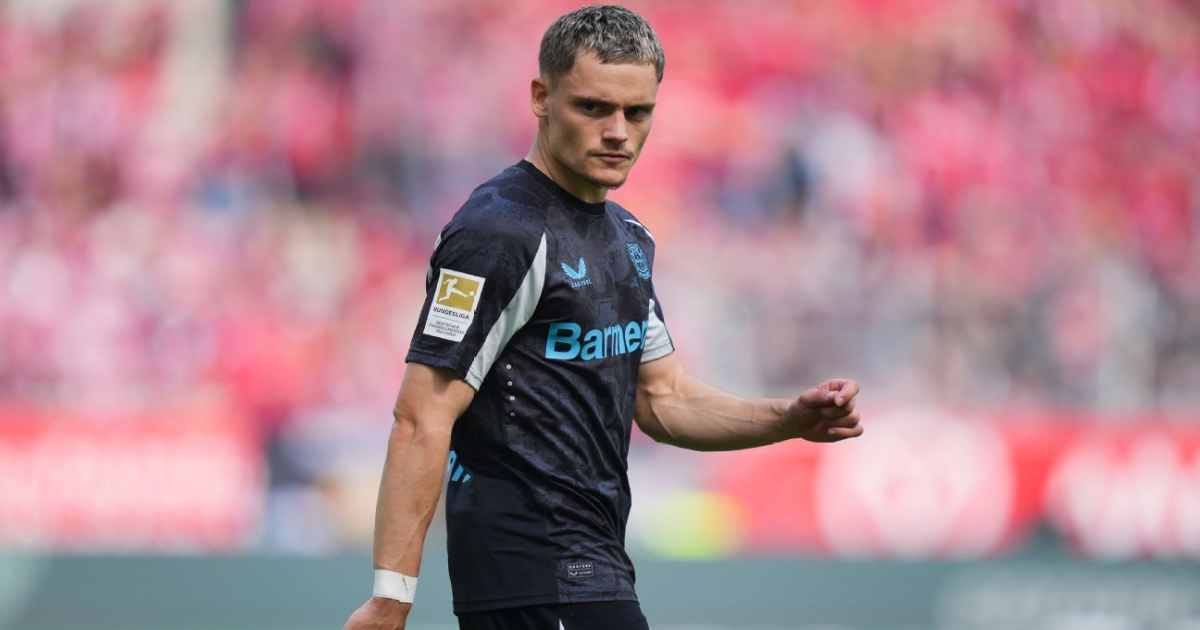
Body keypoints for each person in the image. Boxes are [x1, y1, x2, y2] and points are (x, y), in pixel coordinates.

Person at [342, 6, 863, 630]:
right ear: (541, 97)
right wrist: (392, 598)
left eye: (637, 112)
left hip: (595, 570)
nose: (618, 131)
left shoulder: (628, 237)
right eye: (593, 108)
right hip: (533, 576)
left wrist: (788, 418)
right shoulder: (498, 232)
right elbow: (420, 416)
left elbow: (663, 399)